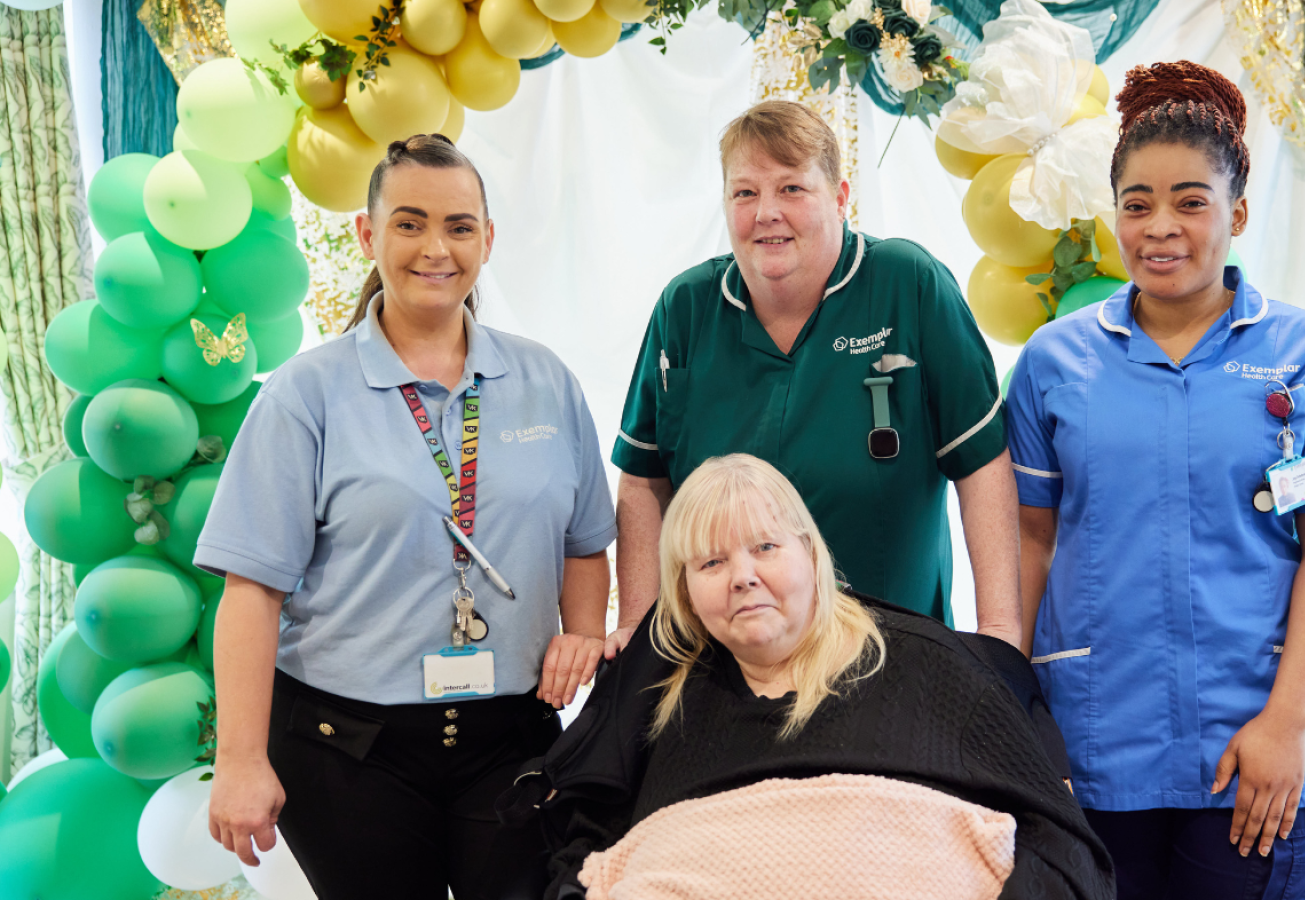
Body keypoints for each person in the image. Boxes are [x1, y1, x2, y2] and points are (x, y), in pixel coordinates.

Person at [1005, 62, 1305, 900]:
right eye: (1136, 203)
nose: (1159, 226)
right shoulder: (1052, 363)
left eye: (1190, 200)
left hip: (1254, 740)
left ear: (1238, 212)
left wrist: (1286, 723)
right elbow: (1027, 542)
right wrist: (1011, 715)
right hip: (1092, 743)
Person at [199, 134, 617, 900]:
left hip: (512, 741)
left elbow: (585, 544)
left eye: (459, 226)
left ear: (486, 240)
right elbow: (251, 593)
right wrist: (239, 759)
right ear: (368, 234)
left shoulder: (545, 381)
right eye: (409, 222)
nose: (436, 248)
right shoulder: (305, 395)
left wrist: (583, 634)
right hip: (348, 752)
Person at [501, 454, 1114, 900]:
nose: (742, 576)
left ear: (813, 556)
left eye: (765, 547)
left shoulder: (937, 670)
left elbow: (1063, 849)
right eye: (711, 561)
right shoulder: (656, 697)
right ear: (684, 594)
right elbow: (583, 853)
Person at [608, 100, 1021, 655]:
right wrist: (639, 633)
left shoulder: (908, 284)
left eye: (791, 189)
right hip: (727, 657)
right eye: (745, 192)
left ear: (841, 197)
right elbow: (642, 480)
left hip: (890, 652)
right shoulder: (685, 307)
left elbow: (982, 465)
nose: (766, 212)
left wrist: (999, 631)